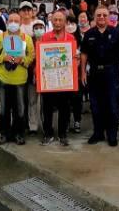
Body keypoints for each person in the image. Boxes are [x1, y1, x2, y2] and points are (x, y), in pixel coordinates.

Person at [80, 5, 119, 147]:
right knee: (96, 106)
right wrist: (83, 72)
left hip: (111, 73)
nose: (101, 17)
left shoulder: (116, 33)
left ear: (108, 17)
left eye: (104, 15)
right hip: (94, 73)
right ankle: (98, 133)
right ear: (94, 17)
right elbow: (84, 54)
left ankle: (112, 135)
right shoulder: (89, 34)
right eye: (99, 15)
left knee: (112, 106)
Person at [0, 13, 35, 145]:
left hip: (20, 80)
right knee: (4, 109)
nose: (13, 23)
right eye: (11, 21)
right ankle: (4, 134)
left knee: (20, 109)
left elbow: (31, 56)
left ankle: (18, 134)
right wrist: (3, 58)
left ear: (20, 22)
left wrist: (23, 60)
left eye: (16, 21)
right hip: (3, 79)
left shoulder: (26, 38)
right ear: (7, 22)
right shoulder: (1, 37)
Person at [38, 10, 78, 146]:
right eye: (55, 20)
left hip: (65, 80)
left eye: (60, 20)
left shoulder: (71, 38)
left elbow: (74, 59)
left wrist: (76, 59)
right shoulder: (45, 37)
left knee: (64, 108)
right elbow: (40, 58)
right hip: (48, 80)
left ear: (65, 22)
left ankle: (62, 134)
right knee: (47, 108)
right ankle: (48, 133)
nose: (57, 22)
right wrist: (37, 74)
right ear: (51, 21)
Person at [66, 14, 84, 134]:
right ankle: (66, 121)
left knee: (77, 99)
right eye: (67, 23)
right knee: (66, 100)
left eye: (72, 23)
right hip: (65, 75)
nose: (70, 26)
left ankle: (77, 120)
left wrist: (80, 58)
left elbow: (86, 56)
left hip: (77, 75)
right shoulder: (62, 38)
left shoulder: (81, 40)